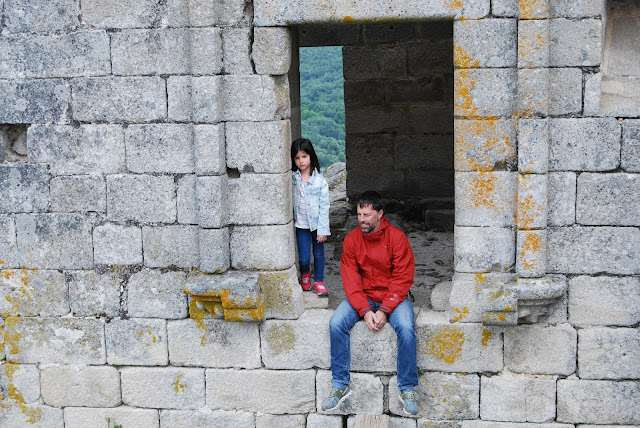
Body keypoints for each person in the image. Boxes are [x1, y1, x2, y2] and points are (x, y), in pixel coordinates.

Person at [322, 190, 419, 415]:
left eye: (366, 215)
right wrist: (365, 310)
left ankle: (407, 388)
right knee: (336, 323)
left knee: (406, 327)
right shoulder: (352, 240)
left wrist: (384, 310)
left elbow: (403, 277)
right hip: (363, 296)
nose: (361, 219)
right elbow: (350, 279)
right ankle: (340, 384)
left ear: (380, 214)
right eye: (359, 214)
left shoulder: (396, 238)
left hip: (393, 297)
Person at [291, 138, 330, 296]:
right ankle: (305, 275)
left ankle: (319, 281)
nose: (301, 161)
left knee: (319, 254)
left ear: (311, 156)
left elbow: (324, 206)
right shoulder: (293, 179)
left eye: (304, 156)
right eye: (297, 158)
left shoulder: (320, 181)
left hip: (316, 226)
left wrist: (323, 230)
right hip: (301, 225)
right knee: (304, 257)